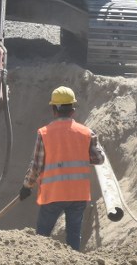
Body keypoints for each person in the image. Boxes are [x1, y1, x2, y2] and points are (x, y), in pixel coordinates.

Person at [19, 85, 106, 251]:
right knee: (74, 236)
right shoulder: (87, 133)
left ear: (54, 110)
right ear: (73, 110)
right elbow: (100, 158)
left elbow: (36, 165)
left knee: (42, 236)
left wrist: (26, 186)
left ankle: (39, 263)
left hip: (53, 193)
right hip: (78, 194)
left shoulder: (44, 133)